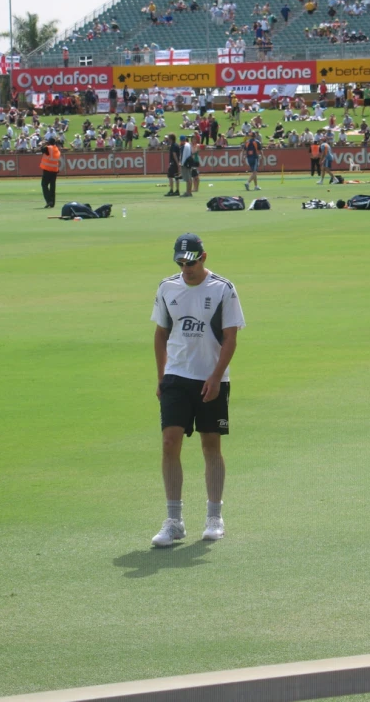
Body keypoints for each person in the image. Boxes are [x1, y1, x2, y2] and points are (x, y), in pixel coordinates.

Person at [150, 233, 246, 547]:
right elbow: (161, 333)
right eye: (180, 262)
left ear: (203, 257)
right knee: (169, 442)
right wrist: (162, 376)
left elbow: (231, 338)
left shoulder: (223, 289)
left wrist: (217, 378)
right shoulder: (167, 287)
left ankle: (214, 517)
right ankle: (174, 521)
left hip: (211, 376)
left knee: (210, 446)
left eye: (190, 262)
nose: (185, 268)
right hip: (177, 375)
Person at [39, 137, 61, 208]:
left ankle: (49, 201)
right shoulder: (57, 149)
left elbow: (42, 149)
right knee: (52, 187)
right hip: (54, 170)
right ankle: (52, 203)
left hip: (47, 170)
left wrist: (43, 144)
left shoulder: (48, 148)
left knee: (44, 185)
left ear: (49, 142)